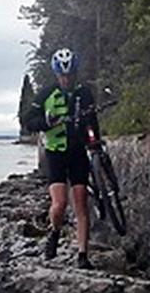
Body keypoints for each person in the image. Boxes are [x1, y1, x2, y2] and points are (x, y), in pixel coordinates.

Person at [23, 47, 100, 269]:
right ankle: (54, 231)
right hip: (55, 153)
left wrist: (94, 142)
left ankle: (83, 255)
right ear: (57, 75)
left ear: (75, 74)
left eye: (70, 75)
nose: (66, 79)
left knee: (81, 203)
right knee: (59, 205)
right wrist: (47, 122)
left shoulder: (84, 93)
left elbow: (92, 121)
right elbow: (28, 120)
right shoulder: (47, 93)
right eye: (62, 75)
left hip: (77, 152)